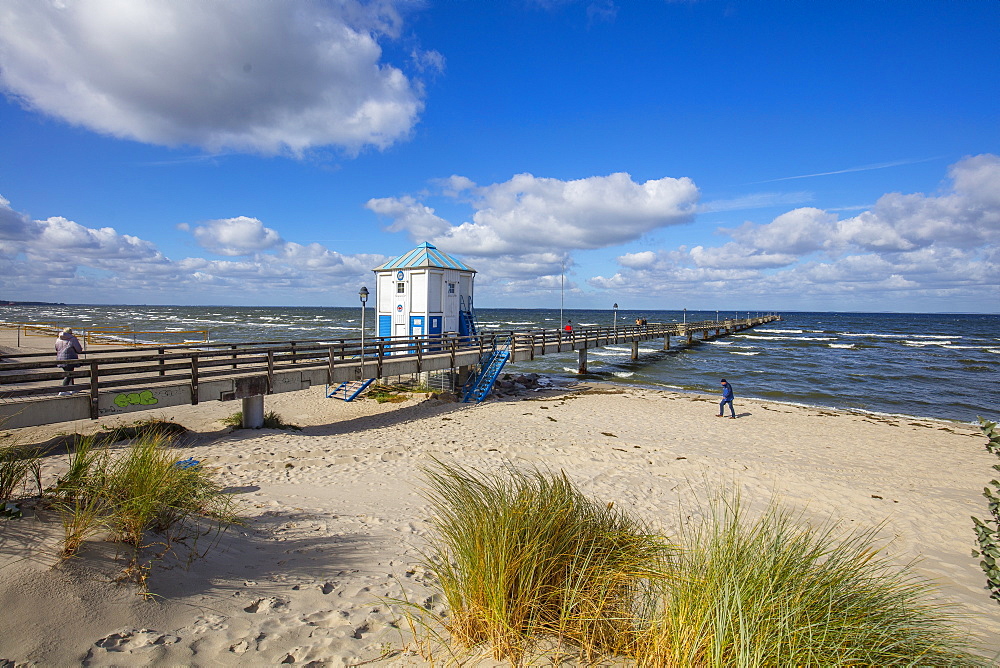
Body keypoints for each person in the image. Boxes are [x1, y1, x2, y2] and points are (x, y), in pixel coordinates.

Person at [55, 327, 83, 394]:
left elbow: (56, 348)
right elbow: (79, 349)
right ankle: (63, 390)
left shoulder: (58, 339)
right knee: (68, 374)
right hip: (70, 358)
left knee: (69, 373)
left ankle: (72, 388)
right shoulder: (72, 339)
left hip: (60, 358)